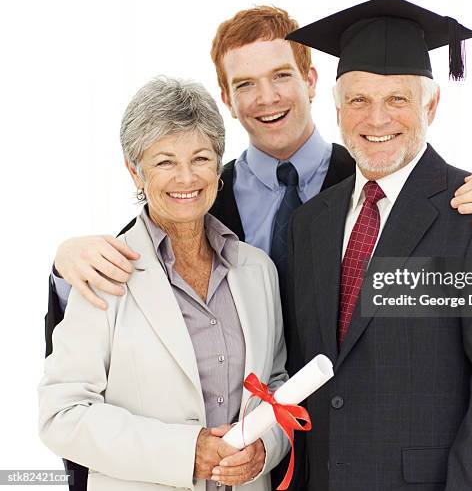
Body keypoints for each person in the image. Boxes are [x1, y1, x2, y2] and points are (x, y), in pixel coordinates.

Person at [44, 6, 472, 490]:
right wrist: (62, 260)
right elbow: (139, 274)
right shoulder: (211, 198)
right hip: (286, 471)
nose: (267, 98)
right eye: (245, 84)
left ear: (310, 82)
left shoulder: (468, 205)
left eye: (397, 99)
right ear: (228, 97)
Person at [281, 0, 472, 490]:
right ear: (336, 109)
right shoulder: (311, 223)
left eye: (397, 99)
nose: (376, 119)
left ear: (431, 105)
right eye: (358, 100)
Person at [39, 78, 289, 491]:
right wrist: (185, 452)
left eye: (201, 158)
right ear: (134, 171)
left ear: (218, 165)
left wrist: (266, 447)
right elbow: (61, 415)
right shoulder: (104, 272)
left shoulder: (257, 270)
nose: (186, 177)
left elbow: (275, 383)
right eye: (165, 162)